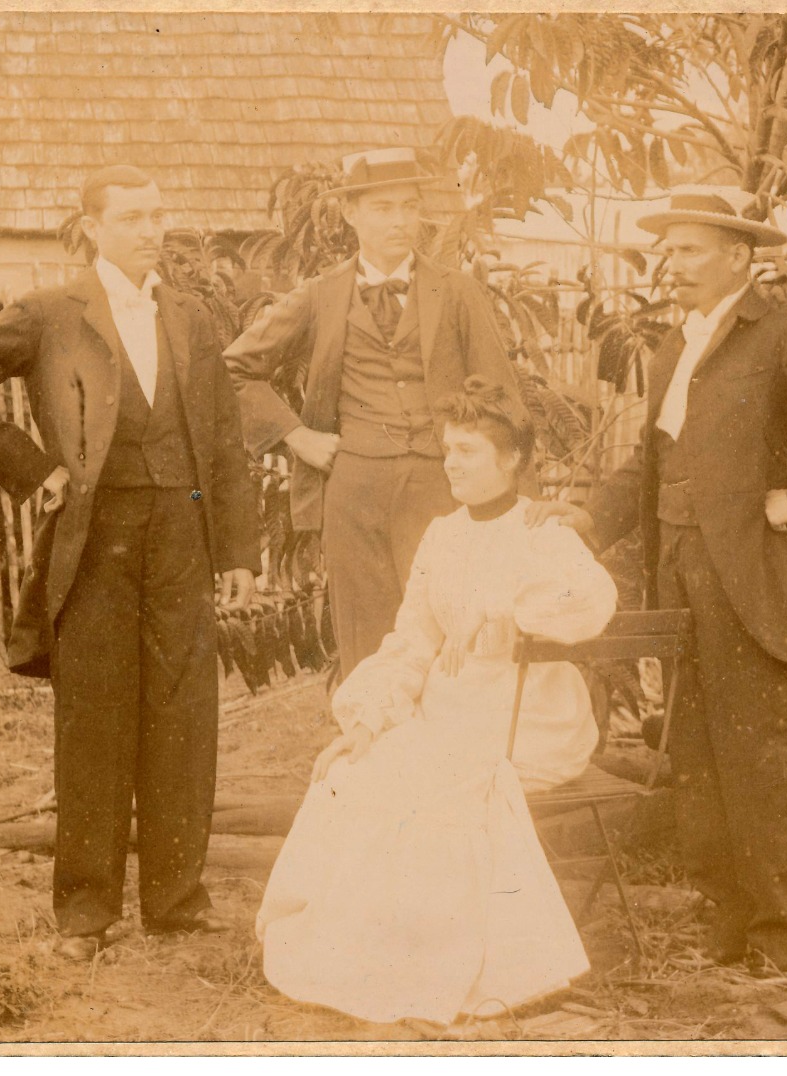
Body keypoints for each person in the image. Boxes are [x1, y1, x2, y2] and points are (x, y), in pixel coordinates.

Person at [533, 186, 787, 979]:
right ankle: (728, 927)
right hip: (677, 572)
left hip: (746, 576)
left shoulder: (782, 338)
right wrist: (593, 521)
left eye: (688, 250)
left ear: (738, 258)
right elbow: (652, 458)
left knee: (760, 762)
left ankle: (782, 940)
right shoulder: (674, 347)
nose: (670, 265)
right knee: (697, 760)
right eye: (667, 251)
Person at [0, 165, 260, 960]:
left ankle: (177, 900)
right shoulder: (49, 312)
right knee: (96, 722)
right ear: (94, 227)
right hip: (96, 536)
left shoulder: (192, 316)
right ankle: (84, 914)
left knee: (183, 715)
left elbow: (224, 440)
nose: (152, 230)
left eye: (158, 214)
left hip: (182, 531)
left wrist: (238, 551)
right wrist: (36, 471)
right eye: (134, 217)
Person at [255, 378, 616, 1026]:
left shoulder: (541, 528)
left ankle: (435, 970)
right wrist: (369, 720)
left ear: (511, 460)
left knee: (428, 788)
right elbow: (412, 640)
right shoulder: (442, 536)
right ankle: (374, 961)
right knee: (359, 770)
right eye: (448, 449)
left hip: (527, 717)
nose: (452, 463)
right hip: (454, 711)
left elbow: (592, 602)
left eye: (469, 451)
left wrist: (507, 606)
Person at [224, 147, 527, 678]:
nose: (401, 221)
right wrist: (296, 435)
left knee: (453, 639)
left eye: (410, 207)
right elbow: (233, 370)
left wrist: (517, 505)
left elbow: (502, 398)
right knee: (367, 644)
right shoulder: (319, 296)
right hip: (354, 493)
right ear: (351, 214)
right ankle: (372, 758)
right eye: (384, 208)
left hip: (443, 490)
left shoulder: (456, 292)